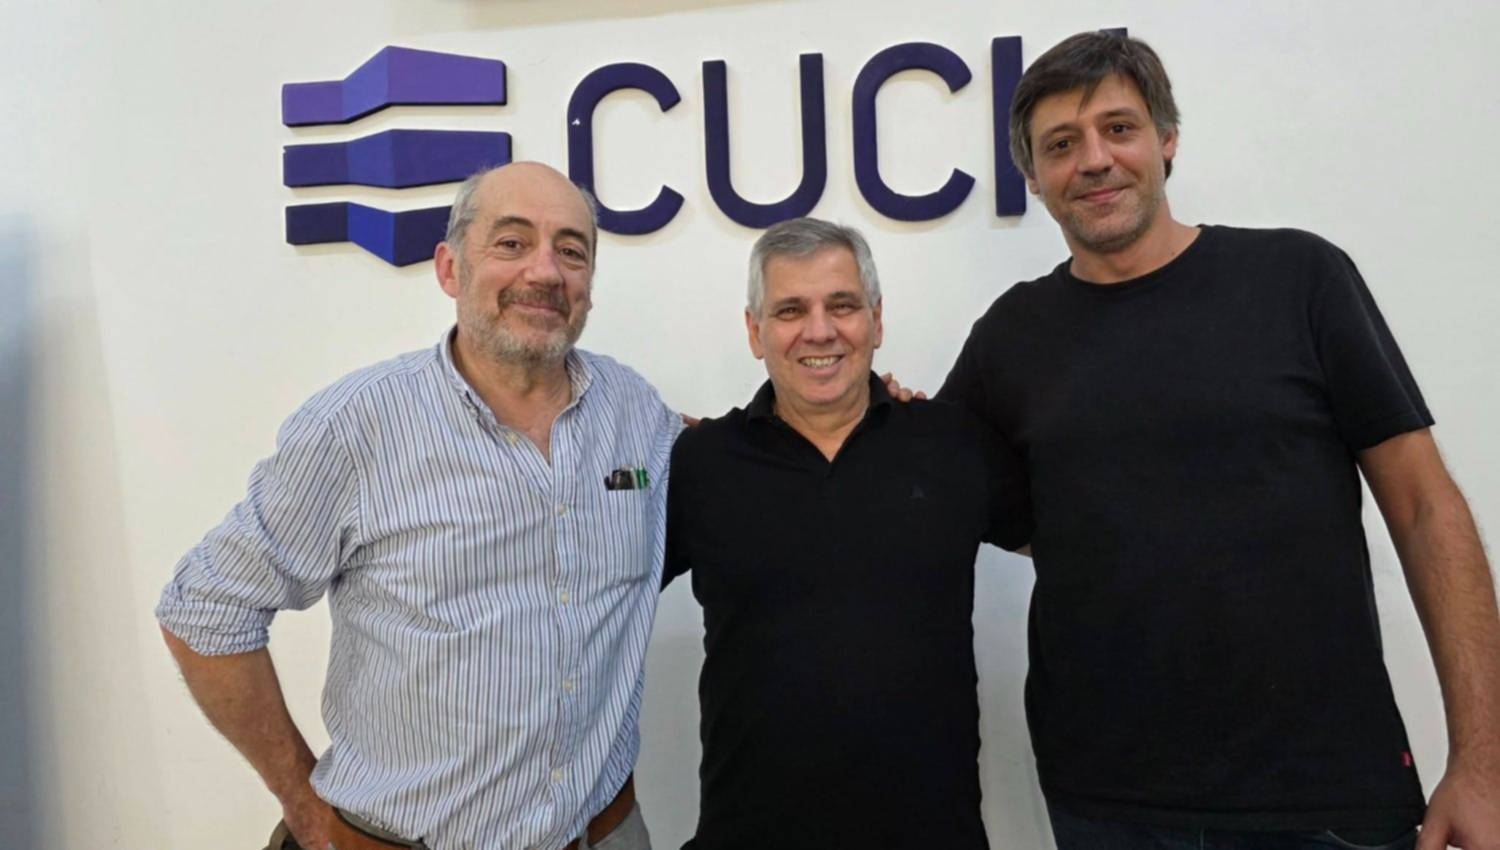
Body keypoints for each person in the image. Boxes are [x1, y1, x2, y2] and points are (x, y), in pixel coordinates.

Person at [937, 30, 1500, 850]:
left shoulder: (1299, 279)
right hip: (1108, 805)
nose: (1094, 160)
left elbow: (1424, 507)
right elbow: (934, 489)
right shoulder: (1010, 337)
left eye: (1118, 129)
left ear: (1167, 140)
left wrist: (1482, 764)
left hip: (1324, 797)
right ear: (1032, 176)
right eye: (1061, 144)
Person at [156, 162, 678, 850]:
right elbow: (204, 608)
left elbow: (734, 455)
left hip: (605, 834)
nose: (545, 271)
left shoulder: (634, 411)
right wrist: (305, 806)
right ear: (450, 268)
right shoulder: (358, 425)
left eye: (571, 251)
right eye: (512, 242)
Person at [663, 218, 1031, 849]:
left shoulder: (954, 444)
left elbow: (1074, 550)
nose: (820, 330)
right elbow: (594, 596)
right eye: (790, 310)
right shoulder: (701, 463)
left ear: (876, 321)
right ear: (754, 331)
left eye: (842, 305)